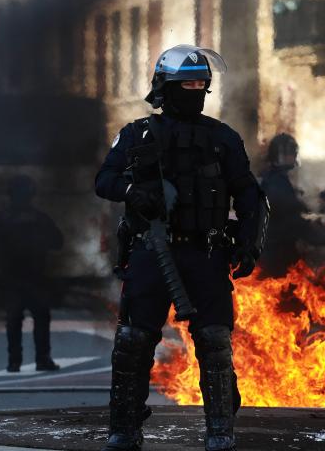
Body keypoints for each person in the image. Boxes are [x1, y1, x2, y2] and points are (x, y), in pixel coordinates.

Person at [94, 45, 268, 451]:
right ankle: (123, 429)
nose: (193, 90)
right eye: (185, 83)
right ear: (164, 87)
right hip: (150, 253)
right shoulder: (137, 133)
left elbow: (249, 195)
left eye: (199, 84)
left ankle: (220, 432)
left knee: (214, 340)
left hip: (206, 254)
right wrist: (134, 191)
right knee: (134, 341)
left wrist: (248, 244)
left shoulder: (223, 138)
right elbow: (104, 180)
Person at [0, 174, 64, 373]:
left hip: (13, 277)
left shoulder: (0, 219)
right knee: (39, 317)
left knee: (14, 320)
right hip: (32, 277)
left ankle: (15, 361)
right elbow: (58, 242)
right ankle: (42, 359)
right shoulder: (39, 218)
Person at [259, 133, 309, 278]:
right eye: (292, 153)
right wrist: (298, 207)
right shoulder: (275, 181)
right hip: (277, 249)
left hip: (275, 246)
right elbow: (283, 209)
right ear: (281, 155)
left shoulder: (273, 177)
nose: (294, 157)